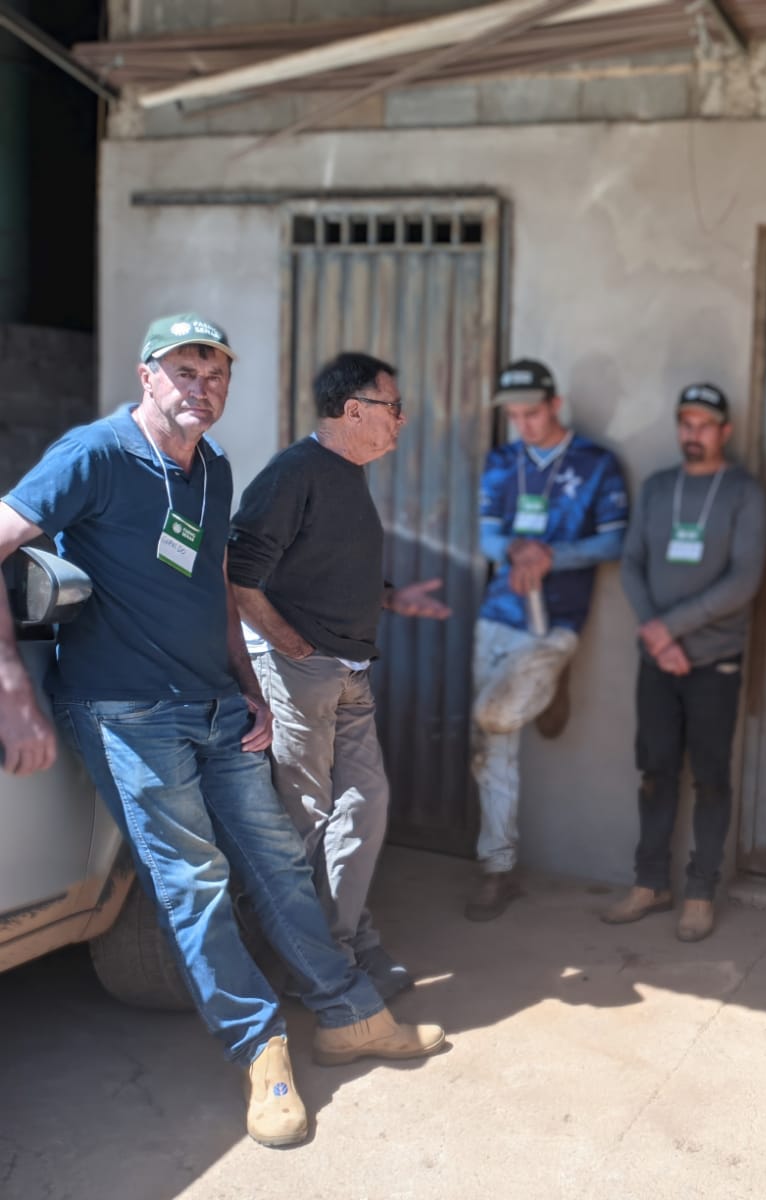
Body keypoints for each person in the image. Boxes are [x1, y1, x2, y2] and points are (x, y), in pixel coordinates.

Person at [0, 314, 445, 1149]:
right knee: (195, 881)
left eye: (215, 375)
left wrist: (251, 687)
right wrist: (12, 689)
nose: (200, 388)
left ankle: (349, 1015)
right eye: (184, 371)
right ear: (147, 375)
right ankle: (261, 1049)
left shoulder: (213, 468)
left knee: (278, 859)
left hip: (216, 702)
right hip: (124, 708)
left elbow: (216, 583)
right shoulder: (94, 454)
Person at [228, 352, 452, 1001]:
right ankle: (311, 966)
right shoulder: (295, 471)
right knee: (305, 822)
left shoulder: (346, 475)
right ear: (354, 410)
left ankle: (344, 945)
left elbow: (318, 569)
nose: (402, 420)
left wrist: (392, 599)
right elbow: (238, 575)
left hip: (348, 670)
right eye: (393, 407)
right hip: (302, 671)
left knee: (363, 808)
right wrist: (292, 647)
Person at [466, 358, 628, 921]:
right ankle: (498, 869)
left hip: (557, 621)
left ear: (555, 405)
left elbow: (613, 543)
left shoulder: (596, 463)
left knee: (492, 717)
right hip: (498, 615)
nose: (523, 424)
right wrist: (515, 550)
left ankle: (546, 686)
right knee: (490, 744)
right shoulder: (502, 461)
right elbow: (488, 535)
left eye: (531, 413)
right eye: (514, 415)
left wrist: (550, 555)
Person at [608, 383, 766, 941]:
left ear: (725, 431)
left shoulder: (744, 492)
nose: (692, 434)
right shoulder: (658, 488)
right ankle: (650, 883)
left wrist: (668, 628)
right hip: (658, 661)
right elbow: (631, 563)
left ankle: (701, 890)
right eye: (685, 423)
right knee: (655, 773)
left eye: (703, 425)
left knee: (711, 778)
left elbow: (744, 580)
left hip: (714, 663)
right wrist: (659, 638)